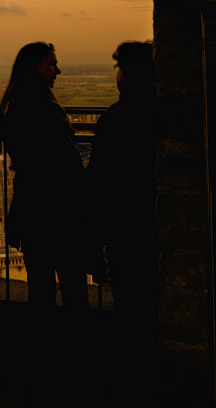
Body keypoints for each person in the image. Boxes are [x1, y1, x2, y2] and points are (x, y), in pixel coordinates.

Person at [0, 42, 88, 308]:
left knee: (41, 289)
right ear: (36, 67)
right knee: (73, 288)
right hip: (57, 212)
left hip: (32, 211)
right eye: (51, 63)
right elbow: (64, 163)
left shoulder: (15, 104)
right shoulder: (42, 107)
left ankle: (41, 344)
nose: (57, 71)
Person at [87, 41, 158, 320]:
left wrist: (93, 238)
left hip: (125, 230)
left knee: (131, 305)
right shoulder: (167, 116)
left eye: (118, 69)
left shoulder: (115, 121)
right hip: (154, 227)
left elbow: (98, 182)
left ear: (127, 75)